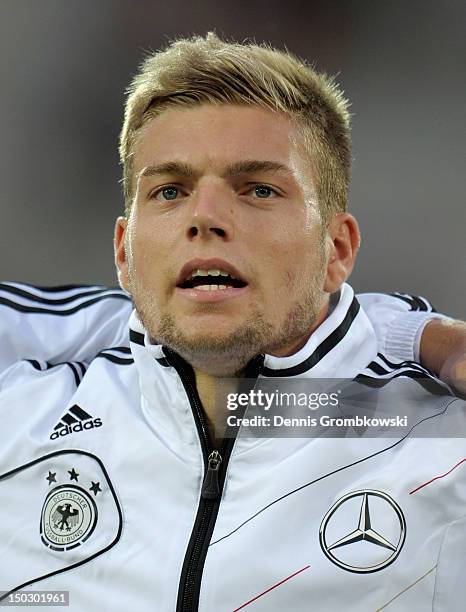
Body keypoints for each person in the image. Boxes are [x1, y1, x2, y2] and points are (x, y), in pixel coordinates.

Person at [0, 33, 465, 611]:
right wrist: (407, 331)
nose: (206, 217)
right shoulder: (19, 417)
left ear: (337, 250)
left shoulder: (445, 452)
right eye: (170, 190)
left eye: (259, 190)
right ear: (124, 252)